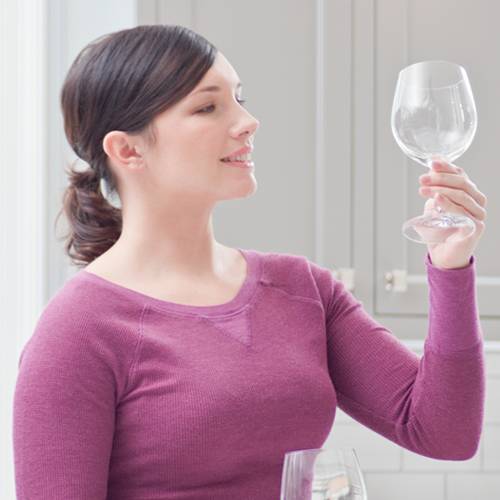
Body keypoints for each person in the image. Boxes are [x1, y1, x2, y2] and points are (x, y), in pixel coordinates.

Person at [12, 24, 488, 500]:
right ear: (128, 149)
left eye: (240, 98)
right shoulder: (79, 329)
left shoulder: (303, 290)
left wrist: (449, 266)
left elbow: (444, 432)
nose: (248, 121)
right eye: (207, 106)